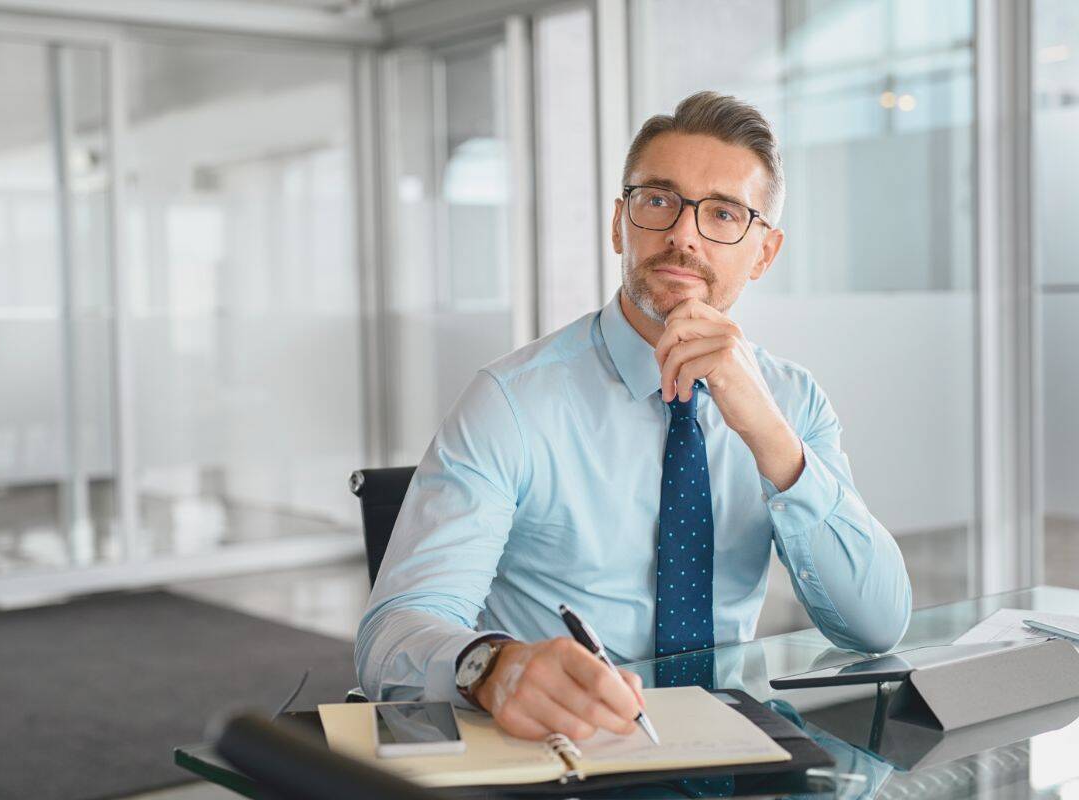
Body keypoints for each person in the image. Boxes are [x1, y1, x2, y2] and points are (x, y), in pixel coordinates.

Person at [355, 91, 911, 743]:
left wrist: (767, 432)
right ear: (620, 223)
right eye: (658, 201)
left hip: (732, 746)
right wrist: (493, 667)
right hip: (565, 756)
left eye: (724, 214)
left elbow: (876, 625)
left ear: (764, 252)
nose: (683, 234)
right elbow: (393, 634)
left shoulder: (791, 400)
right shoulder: (510, 401)